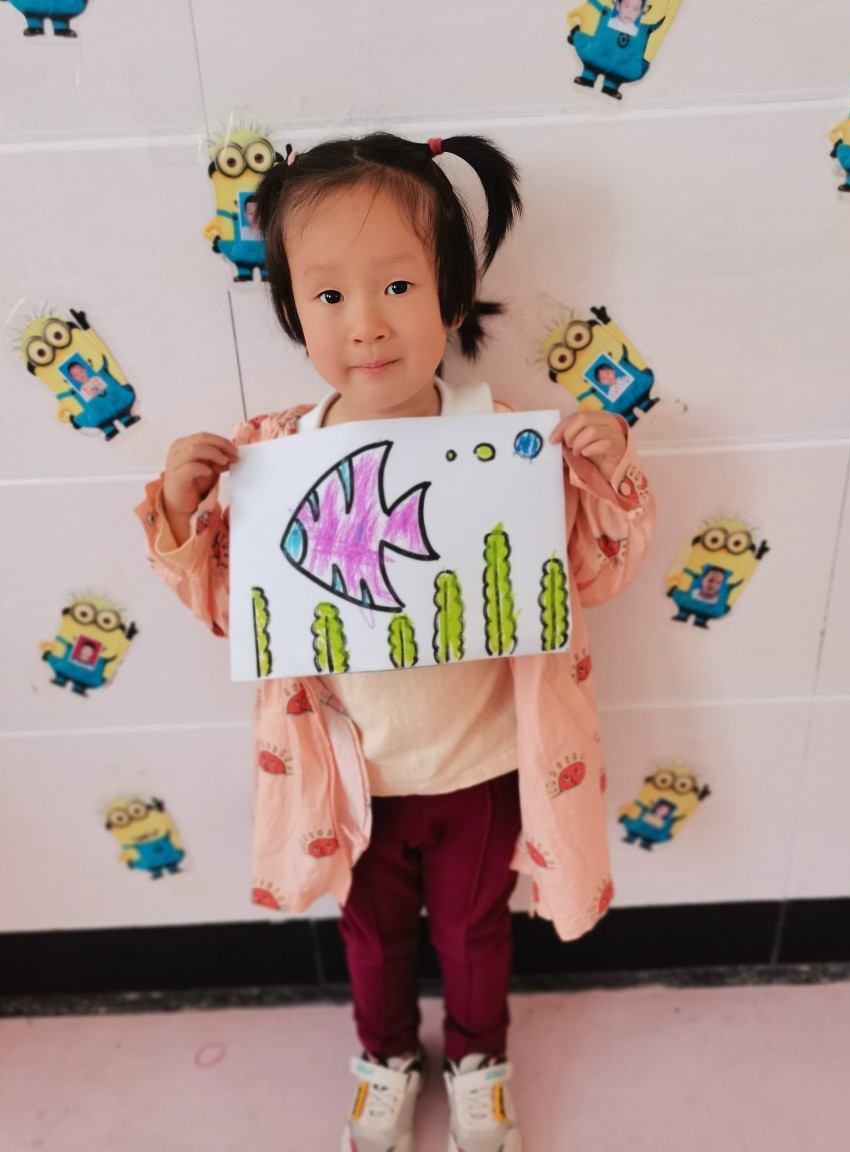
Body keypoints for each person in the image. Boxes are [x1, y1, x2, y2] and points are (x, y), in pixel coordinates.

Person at [136, 132, 655, 1152]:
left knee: (475, 931)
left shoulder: (509, 442)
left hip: (479, 772)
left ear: (451, 297)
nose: (365, 323)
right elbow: (233, 609)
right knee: (369, 938)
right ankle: (383, 1056)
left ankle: (478, 1060)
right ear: (294, 310)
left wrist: (604, 473)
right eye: (328, 294)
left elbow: (587, 578)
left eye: (398, 286)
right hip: (348, 781)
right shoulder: (271, 457)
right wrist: (186, 511)